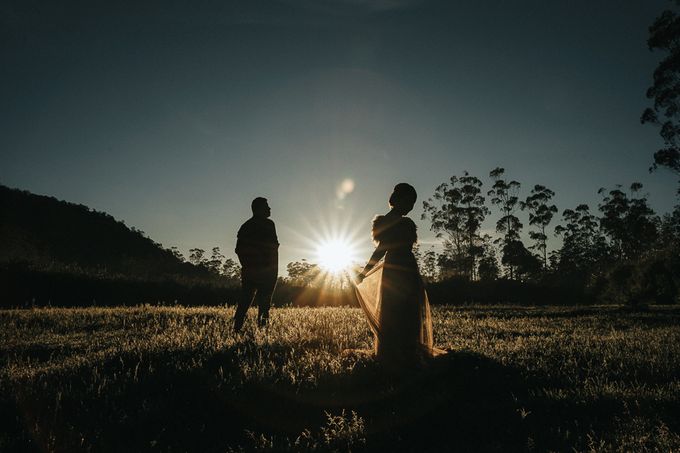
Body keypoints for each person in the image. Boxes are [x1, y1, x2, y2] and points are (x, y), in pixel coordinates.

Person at [355, 183, 443, 365]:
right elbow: (381, 250)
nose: (411, 207)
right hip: (396, 270)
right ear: (400, 199)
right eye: (410, 202)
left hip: (407, 269)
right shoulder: (389, 222)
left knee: (408, 311)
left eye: (413, 204)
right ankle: (396, 355)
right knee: (395, 311)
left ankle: (407, 351)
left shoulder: (402, 222)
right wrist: (364, 272)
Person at [234, 197, 279, 332]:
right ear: (259, 209)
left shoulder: (246, 226)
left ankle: (237, 329)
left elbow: (238, 249)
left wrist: (247, 266)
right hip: (266, 272)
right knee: (263, 305)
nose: (270, 208)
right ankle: (262, 333)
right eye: (266, 206)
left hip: (254, 271)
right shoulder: (268, 224)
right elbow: (273, 247)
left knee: (245, 302)